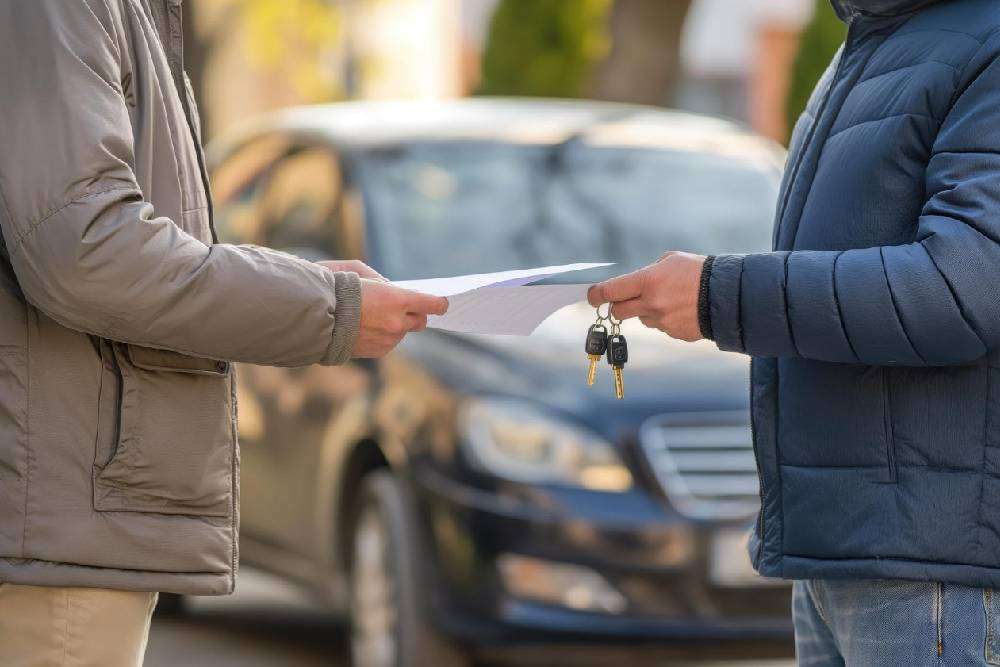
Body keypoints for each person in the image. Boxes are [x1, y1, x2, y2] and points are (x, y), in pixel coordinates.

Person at [0, 2, 447, 665]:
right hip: (55, 537)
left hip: (69, 528)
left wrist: (308, 286)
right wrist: (327, 306)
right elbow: (86, 251)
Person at [590, 0, 1000, 663]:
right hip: (838, 558)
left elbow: (960, 290)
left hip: (932, 572)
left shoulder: (987, 42)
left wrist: (717, 294)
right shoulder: (868, 46)